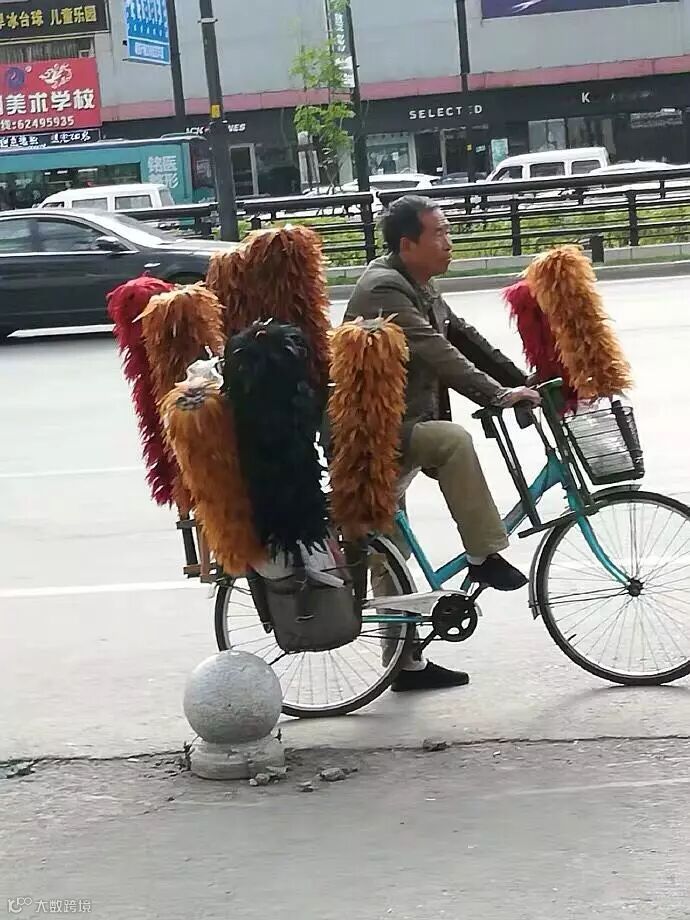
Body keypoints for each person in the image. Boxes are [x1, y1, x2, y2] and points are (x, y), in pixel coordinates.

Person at [344, 195, 541, 693]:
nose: (449, 242)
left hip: (399, 426)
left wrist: (522, 382)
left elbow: (465, 339)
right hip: (376, 433)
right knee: (452, 442)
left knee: (390, 548)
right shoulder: (384, 289)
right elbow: (438, 354)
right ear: (407, 244)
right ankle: (484, 554)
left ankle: (403, 664)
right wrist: (498, 396)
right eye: (439, 234)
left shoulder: (418, 284)